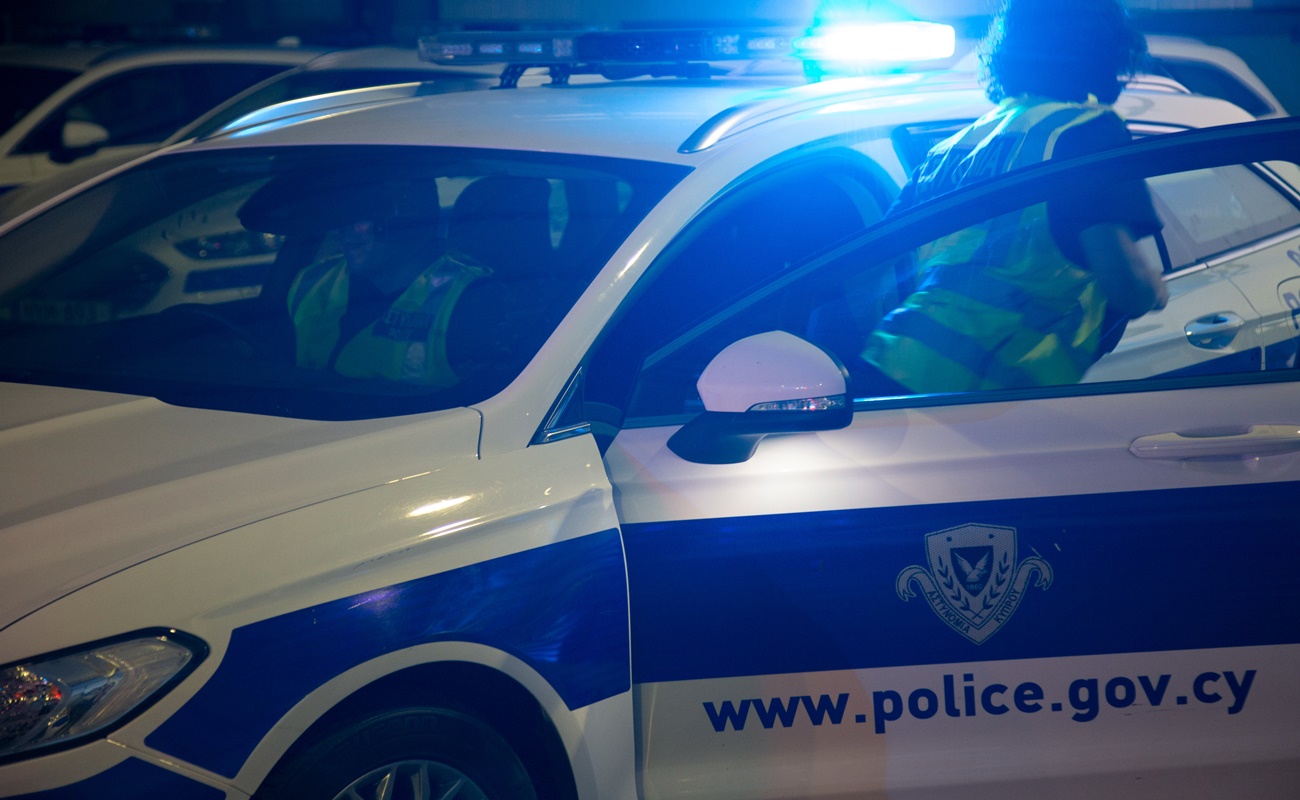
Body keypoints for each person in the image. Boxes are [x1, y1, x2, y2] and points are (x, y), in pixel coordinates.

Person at [860, 0, 1168, 395]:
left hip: (890, 366)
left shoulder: (951, 149)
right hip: (978, 394)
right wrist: (1154, 289)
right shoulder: (1087, 133)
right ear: (1104, 47)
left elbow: (871, 264)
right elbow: (1125, 286)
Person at [286, 211, 489, 387]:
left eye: (359, 217)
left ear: (401, 218)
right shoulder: (310, 282)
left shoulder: (471, 297)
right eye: (340, 218)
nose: (343, 233)